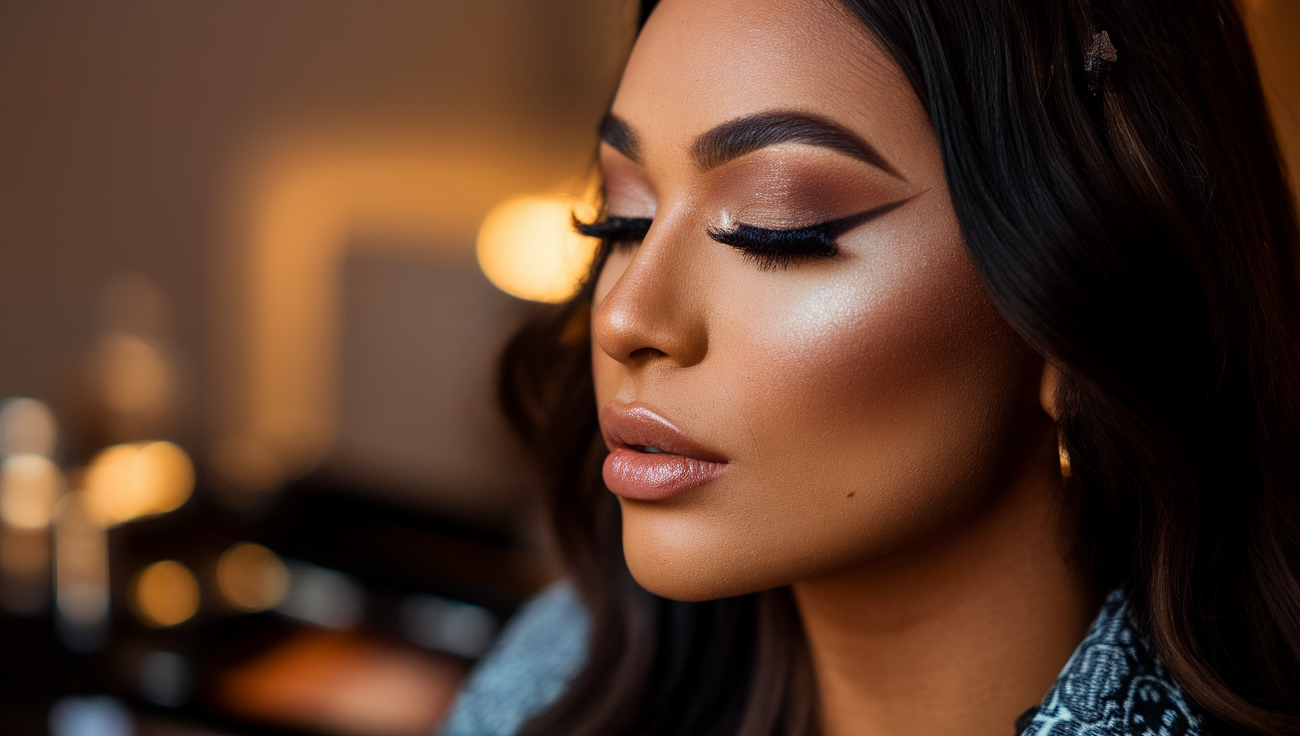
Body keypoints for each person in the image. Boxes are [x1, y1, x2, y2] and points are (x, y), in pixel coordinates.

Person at [444, 0, 1300, 734]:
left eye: (775, 229)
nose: (625, 315)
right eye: (624, 221)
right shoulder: (558, 676)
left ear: (1081, 309)